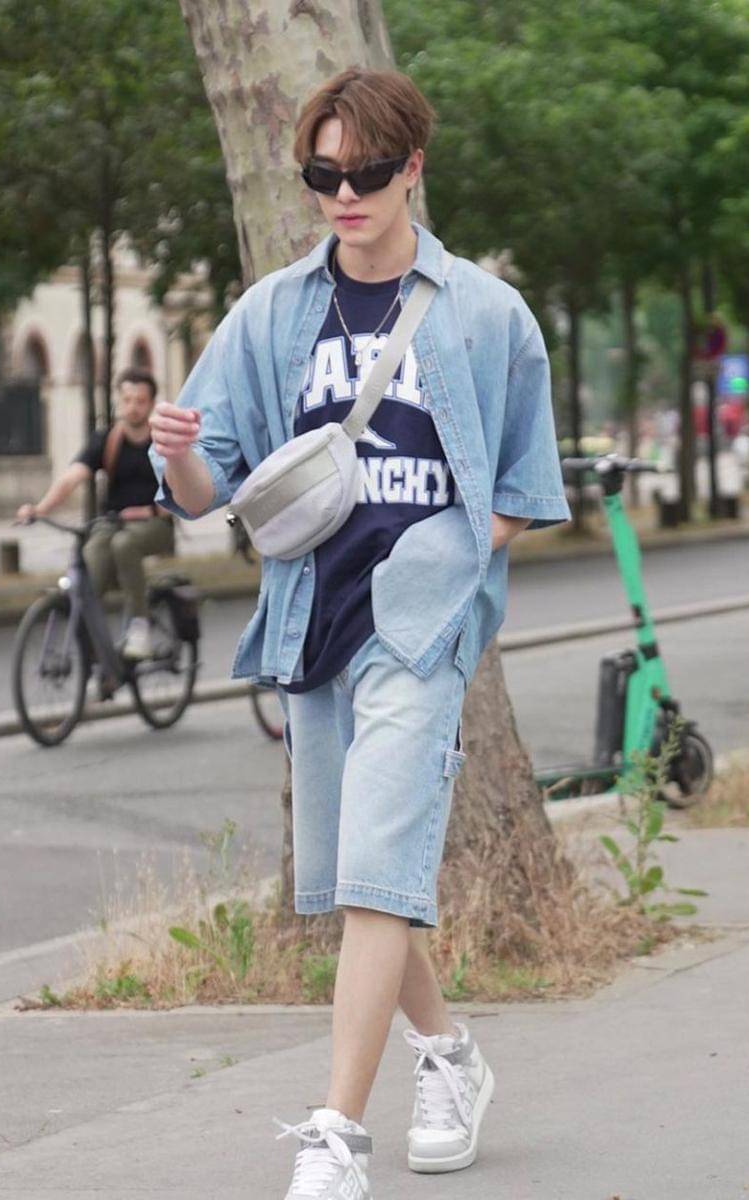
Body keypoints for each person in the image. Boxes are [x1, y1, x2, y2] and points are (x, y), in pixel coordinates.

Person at [149, 67, 570, 1200]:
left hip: (420, 628)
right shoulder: (272, 313)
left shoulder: (487, 315)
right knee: (356, 876)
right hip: (311, 614)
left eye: (368, 172)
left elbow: (526, 490)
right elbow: (204, 489)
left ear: (412, 169)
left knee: (377, 874)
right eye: (323, 174)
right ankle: (451, 1056)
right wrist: (177, 452)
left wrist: (441, 554)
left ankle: (337, 1134)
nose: (344, 193)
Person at [17, 367, 174, 660]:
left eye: (140, 401)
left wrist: (150, 509)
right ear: (118, 400)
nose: (133, 407)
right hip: (112, 523)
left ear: (152, 403)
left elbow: (180, 489)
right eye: (127, 399)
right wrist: (40, 508)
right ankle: (99, 659)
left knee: (124, 545)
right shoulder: (108, 440)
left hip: (155, 524)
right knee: (90, 569)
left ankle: (139, 626)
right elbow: (72, 477)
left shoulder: (162, 443)